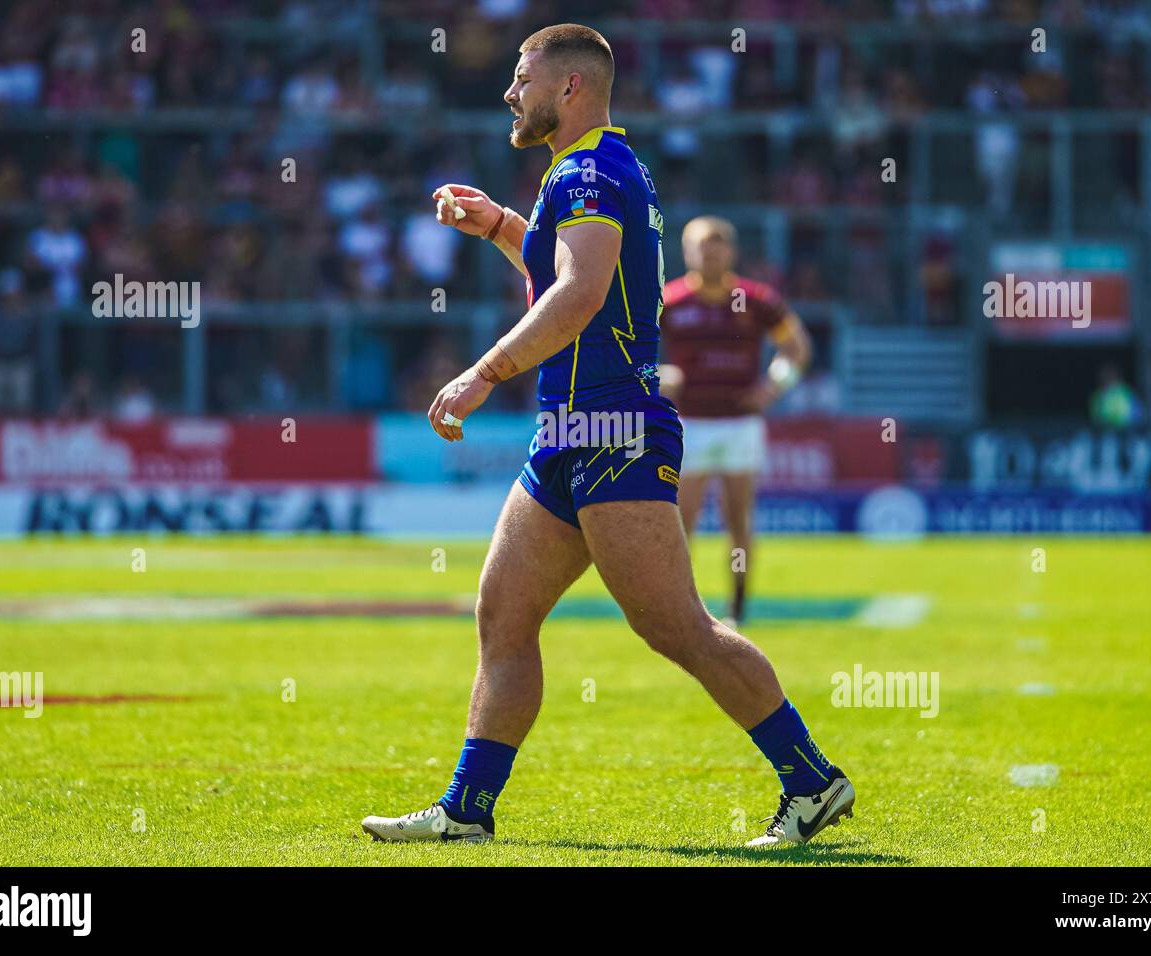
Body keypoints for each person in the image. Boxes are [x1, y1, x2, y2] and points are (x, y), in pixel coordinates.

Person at [360, 23, 854, 848]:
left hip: (612, 424)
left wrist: (484, 372)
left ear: (571, 89)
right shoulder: (591, 168)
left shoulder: (588, 167)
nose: (512, 92)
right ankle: (466, 810)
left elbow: (582, 292)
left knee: (678, 629)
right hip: (571, 429)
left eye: (524, 78)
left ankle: (811, 780)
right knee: (503, 616)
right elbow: (572, 268)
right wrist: (499, 226)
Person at [658, 216, 812, 627]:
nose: (710, 252)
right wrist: (658, 376)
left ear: (731, 250)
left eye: (717, 244)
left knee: (738, 519)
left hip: (740, 422)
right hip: (688, 423)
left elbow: (797, 348)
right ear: (687, 251)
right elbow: (630, 352)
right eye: (701, 245)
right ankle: (681, 608)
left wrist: (774, 388)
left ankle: (738, 607)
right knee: (681, 520)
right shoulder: (668, 302)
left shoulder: (756, 299)